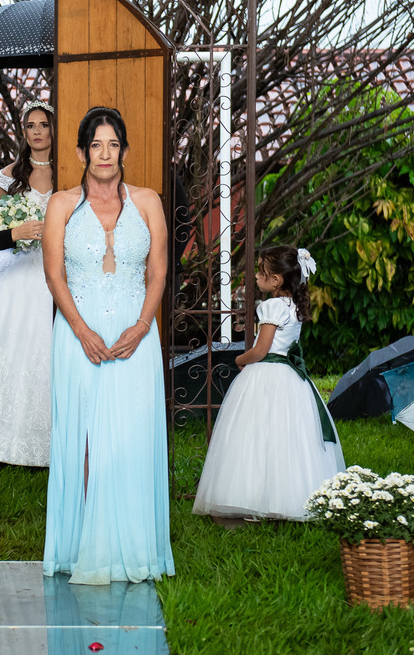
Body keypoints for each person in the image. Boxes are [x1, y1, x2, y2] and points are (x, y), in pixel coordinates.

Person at [42, 106, 174, 585]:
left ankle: (134, 546)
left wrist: (142, 326)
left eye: (113, 144)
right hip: (78, 334)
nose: (104, 153)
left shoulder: (148, 201)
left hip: (135, 334)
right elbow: (53, 273)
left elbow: (158, 271)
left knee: (132, 435)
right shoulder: (60, 205)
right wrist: (79, 328)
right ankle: (81, 545)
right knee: (83, 438)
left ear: (123, 151)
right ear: (81, 152)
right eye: (95, 145)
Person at [192, 246, 346, 521]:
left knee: (255, 434)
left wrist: (241, 358)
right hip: (290, 379)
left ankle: (253, 496)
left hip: (266, 375)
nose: (256, 277)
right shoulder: (294, 306)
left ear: (276, 280)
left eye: (261, 272)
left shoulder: (272, 306)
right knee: (287, 437)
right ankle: (290, 496)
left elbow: (261, 350)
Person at [0, 101, 55, 466]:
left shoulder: (67, 174)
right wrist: (9, 233)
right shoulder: (10, 173)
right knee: (8, 342)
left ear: (53, 130)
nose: (37, 131)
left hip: (47, 270)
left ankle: (44, 440)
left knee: (42, 344)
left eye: (43, 125)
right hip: (13, 269)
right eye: (30, 126)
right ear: (24, 132)